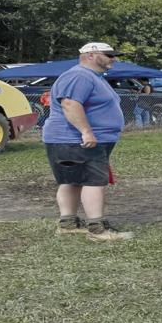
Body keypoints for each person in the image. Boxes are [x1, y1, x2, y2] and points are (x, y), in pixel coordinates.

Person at [42, 42, 131, 241]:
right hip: (75, 139)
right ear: (90, 55)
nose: (112, 58)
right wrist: (86, 132)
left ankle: (68, 224)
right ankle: (97, 229)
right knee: (93, 182)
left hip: (74, 140)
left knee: (72, 180)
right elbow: (70, 104)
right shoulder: (79, 75)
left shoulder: (91, 77)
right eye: (108, 54)